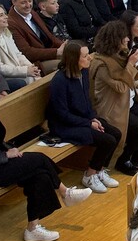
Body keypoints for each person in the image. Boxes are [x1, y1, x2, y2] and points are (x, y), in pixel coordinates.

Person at [0, 77, 91, 241]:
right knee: (39, 160)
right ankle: (65, 193)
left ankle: (32, 228)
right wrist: (6, 155)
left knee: (40, 176)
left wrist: (9, 149)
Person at [47, 40, 123, 194]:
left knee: (115, 133)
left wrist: (93, 118)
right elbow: (61, 114)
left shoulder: (83, 72)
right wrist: (88, 123)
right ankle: (89, 175)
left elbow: (87, 101)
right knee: (107, 140)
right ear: (74, 59)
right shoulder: (59, 81)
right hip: (64, 126)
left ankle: (99, 170)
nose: (90, 58)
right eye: (85, 56)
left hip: (82, 120)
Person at [0, 4, 41, 88]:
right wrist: (26, 71)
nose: (6, 17)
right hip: (7, 78)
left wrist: (31, 67)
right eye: (1, 15)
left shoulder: (6, 34)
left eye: (5, 14)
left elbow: (18, 55)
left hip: (19, 72)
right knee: (30, 80)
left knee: (36, 77)